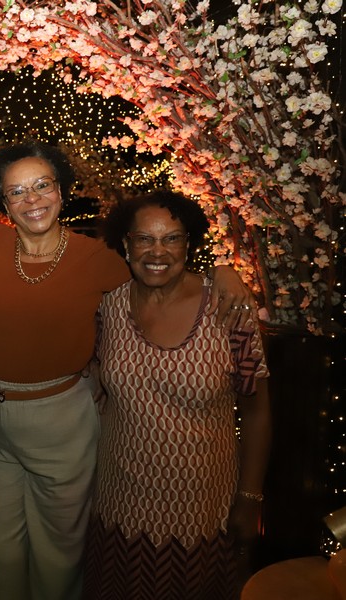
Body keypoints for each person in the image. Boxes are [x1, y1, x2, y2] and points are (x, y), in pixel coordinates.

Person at [0, 142, 250, 600]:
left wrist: (221, 270)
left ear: (61, 190)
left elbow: (160, 269)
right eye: (17, 191)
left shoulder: (98, 259)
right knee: (0, 549)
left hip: (60, 420)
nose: (32, 198)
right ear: (3, 203)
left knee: (57, 554)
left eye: (42, 185)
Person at [83, 191, 270, 600]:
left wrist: (249, 498)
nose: (158, 251)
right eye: (144, 239)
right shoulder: (108, 306)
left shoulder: (229, 308)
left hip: (201, 510)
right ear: (126, 244)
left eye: (172, 238)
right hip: (118, 502)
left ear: (189, 243)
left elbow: (257, 412)